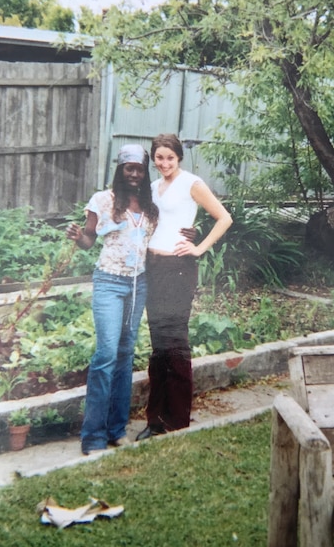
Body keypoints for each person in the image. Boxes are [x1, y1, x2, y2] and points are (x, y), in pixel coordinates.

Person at [136, 133, 233, 441]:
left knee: (175, 342)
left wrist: (199, 247)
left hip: (178, 269)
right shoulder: (152, 187)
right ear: (153, 159)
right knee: (158, 346)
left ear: (179, 158)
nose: (164, 163)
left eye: (170, 158)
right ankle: (155, 419)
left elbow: (224, 218)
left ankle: (177, 421)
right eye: (159, 158)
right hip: (154, 267)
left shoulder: (192, 183)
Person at [66, 144, 158, 455]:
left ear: (145, 174)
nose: (134, 173)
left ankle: (117, 430)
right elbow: (89, 240)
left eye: (139, 169)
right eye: (128, 168)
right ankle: (92, 437)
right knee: (105, 354)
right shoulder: (102, 201)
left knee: (125, 354)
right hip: (109, 282)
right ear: (119, 170)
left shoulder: (149, 203)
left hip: (138, 285)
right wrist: (79, 237)